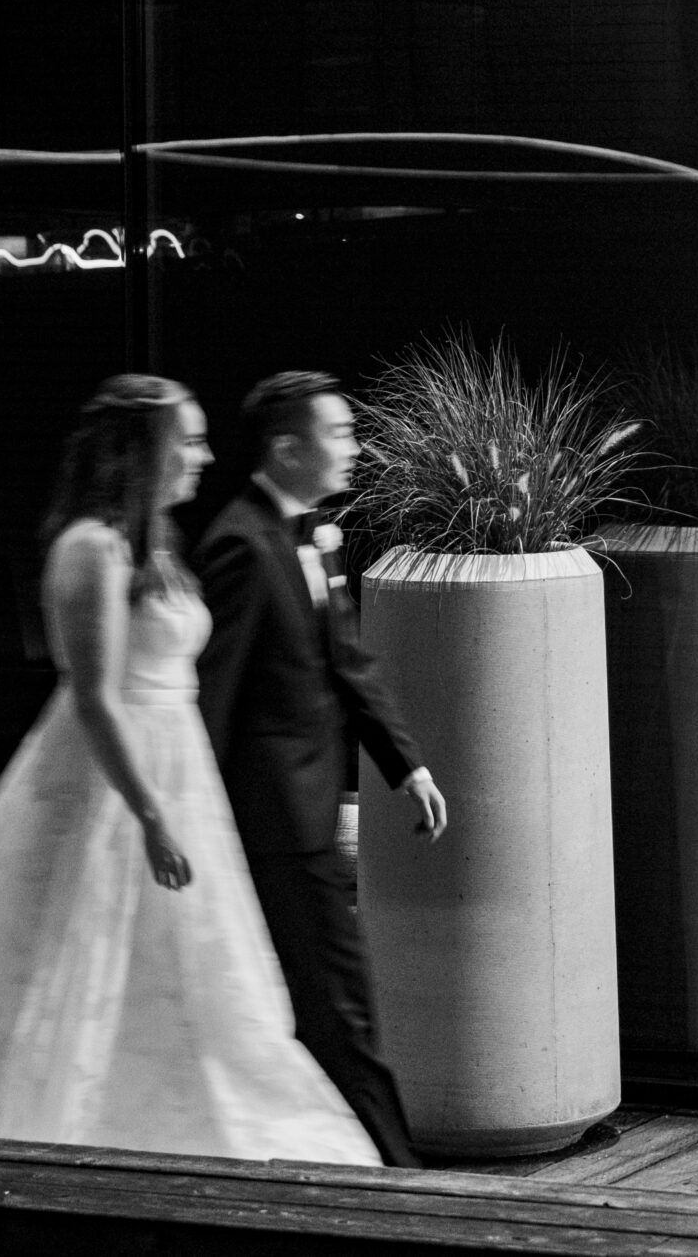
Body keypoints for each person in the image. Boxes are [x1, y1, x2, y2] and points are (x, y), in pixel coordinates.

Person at [0, 375, 382, 1167]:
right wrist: (152, 815)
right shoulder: (90, 548)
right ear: (143, 450)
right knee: (75, 944)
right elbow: (96, 699)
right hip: (119, 783)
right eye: (188, 440)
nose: (202, 457)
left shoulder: (152, 545)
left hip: (179, 769)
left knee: (186, 961)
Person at [194, 370, 450, 1171]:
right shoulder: (239, 543)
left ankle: (331, 1161)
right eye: (336, 434)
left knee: (322, 1005)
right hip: (277, 821)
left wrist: (406, 766)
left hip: (303, 816)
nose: (353, 447)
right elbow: (213, 699)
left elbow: (349, 665)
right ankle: (398, 1175)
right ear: (286, 447)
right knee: (340, 1006)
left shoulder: (311, 534)